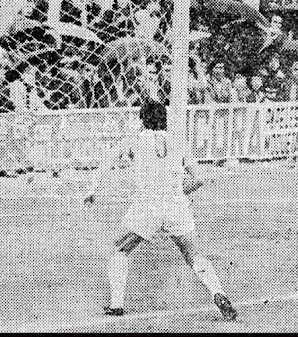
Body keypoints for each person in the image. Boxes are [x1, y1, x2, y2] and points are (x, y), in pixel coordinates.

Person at [84, 97, 237, 320]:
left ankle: (116, 304)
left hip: (148, 205)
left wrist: (93, 189)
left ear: (142, 119)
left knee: (119, 248)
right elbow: (200, 178)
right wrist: (178, 193)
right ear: (165, 120)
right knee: (193, 255)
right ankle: (218, 292)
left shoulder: (134, 139)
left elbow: (109, 158)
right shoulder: (178, 141)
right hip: (176, 206)